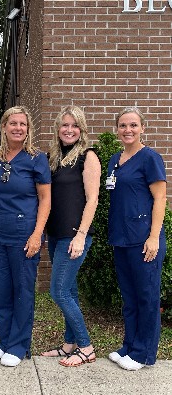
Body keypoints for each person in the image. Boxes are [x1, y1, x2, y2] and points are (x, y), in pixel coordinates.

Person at [0, 106, 51, 367]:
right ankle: (5, 340)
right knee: (1, 290)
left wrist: (37, 234)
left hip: (24, 236)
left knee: (22, 291)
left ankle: (20, 346)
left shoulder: (36, 159)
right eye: (13, 123)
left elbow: (45, 199)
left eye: (23, 124)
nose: (18, 128)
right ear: (4, 127)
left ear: (28, 129)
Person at [106, 107, 167, 371]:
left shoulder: (150, 158)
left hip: (144, 240)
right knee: (129, 297)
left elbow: (160, 198)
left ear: (143, 127)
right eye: (122, 125)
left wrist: (153, 237)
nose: (127, 130)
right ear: (116, 129)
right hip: (121, 238)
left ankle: (143, 353)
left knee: (147, 297)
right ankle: (129, 346)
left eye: (133, 125)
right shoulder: (114, 160)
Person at [41, 106, 100, 366]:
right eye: (65, 125)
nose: (69, 129)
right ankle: (69, 345)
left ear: (81, 129)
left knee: (59, 291)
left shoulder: (88, 157)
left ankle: (86, 347)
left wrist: (81, 235)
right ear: (58, 128)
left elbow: (93, 199)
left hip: (74, 236)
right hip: (55, 234)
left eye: (74, 125)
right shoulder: (52, 158)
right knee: (70, 291)